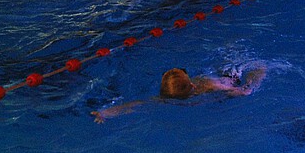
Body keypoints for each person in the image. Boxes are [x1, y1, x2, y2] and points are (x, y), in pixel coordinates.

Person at [92, 65, 267, 122]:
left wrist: (105, 113)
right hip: (226, 85)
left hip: (224, 83)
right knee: (248, 82)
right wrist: (255, 79)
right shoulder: (208, 85)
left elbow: (138, 105)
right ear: (191, 83)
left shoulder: (165, 98)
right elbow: (245, 92)